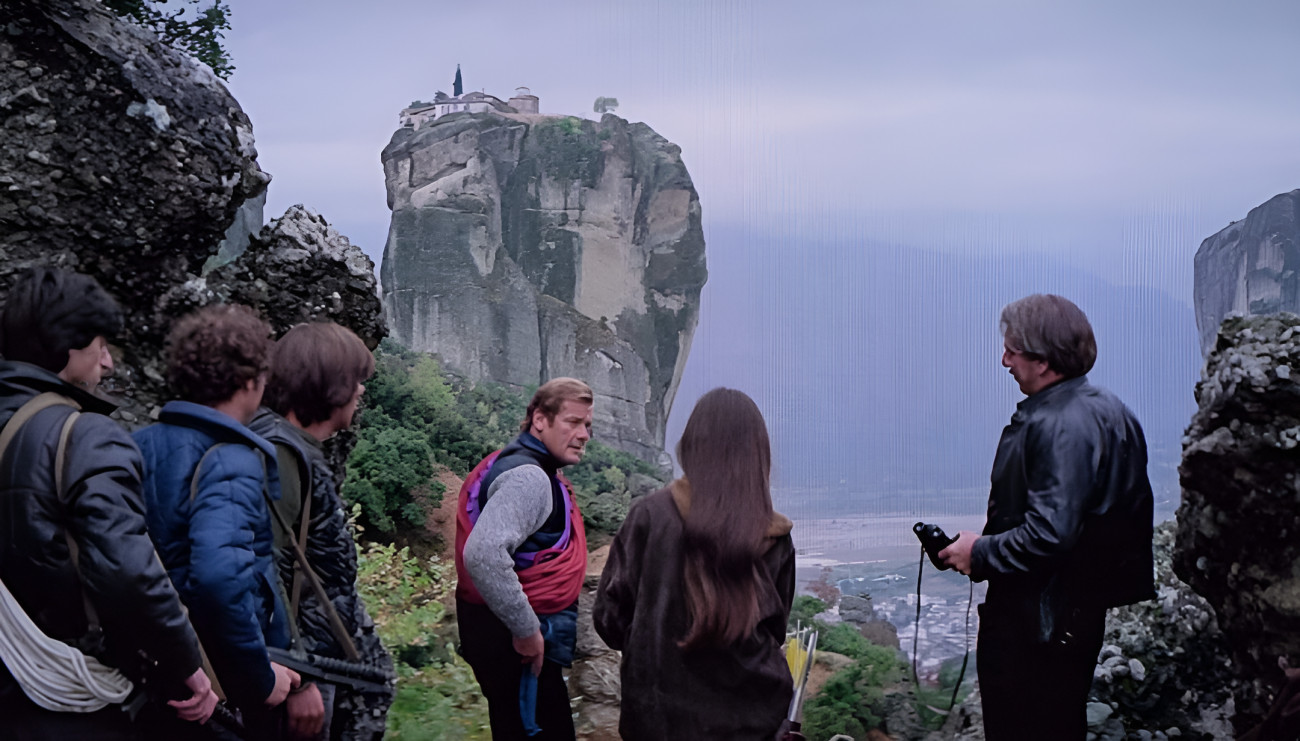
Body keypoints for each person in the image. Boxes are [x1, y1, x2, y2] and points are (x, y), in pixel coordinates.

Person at [0, 267, 218, 739]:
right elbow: (128, 571)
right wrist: (187, 664)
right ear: (67, 347)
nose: (108, 363)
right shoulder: (86, 437)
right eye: (100, 345)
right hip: (68, 699)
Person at [940, 294, 1155, 741]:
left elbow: (1049, 535)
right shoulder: (1108, 409)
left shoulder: (1058, 424)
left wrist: (979, 552)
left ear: (1042, 359)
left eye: (1012, 351)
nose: (1004, 361)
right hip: (1075, 616)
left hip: (1036, 624)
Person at [134, 303, 307, 740]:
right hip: (216, 684)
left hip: (154, 666)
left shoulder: (135, 444)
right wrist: (258, 678)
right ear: (249, 382)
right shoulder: (231, 459)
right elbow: (220, 578)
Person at [593, 387, 795, 741]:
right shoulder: (774, 536)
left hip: (657, 722)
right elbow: (775, 632)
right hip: (752, 721)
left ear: (690, 445)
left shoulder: (649, 517)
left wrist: (655, 645)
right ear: (757, 456)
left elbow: (610, 621)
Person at [249, 322, 394, 740]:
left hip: (313, 657)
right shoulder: (281, 454)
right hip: (298, 669)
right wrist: (298, 676)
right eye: (355, 380)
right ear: (328, 383)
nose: (361, 391)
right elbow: (264, 571)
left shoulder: (292, 448)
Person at [454, 377, 593, 741]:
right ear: (540, 420)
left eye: (587, 425)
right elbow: (483, 554)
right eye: (573, 422)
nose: (583, 435)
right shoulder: (530, 478)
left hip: (509, 644)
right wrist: (526, 630)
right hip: (520, 650)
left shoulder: (522, 464)